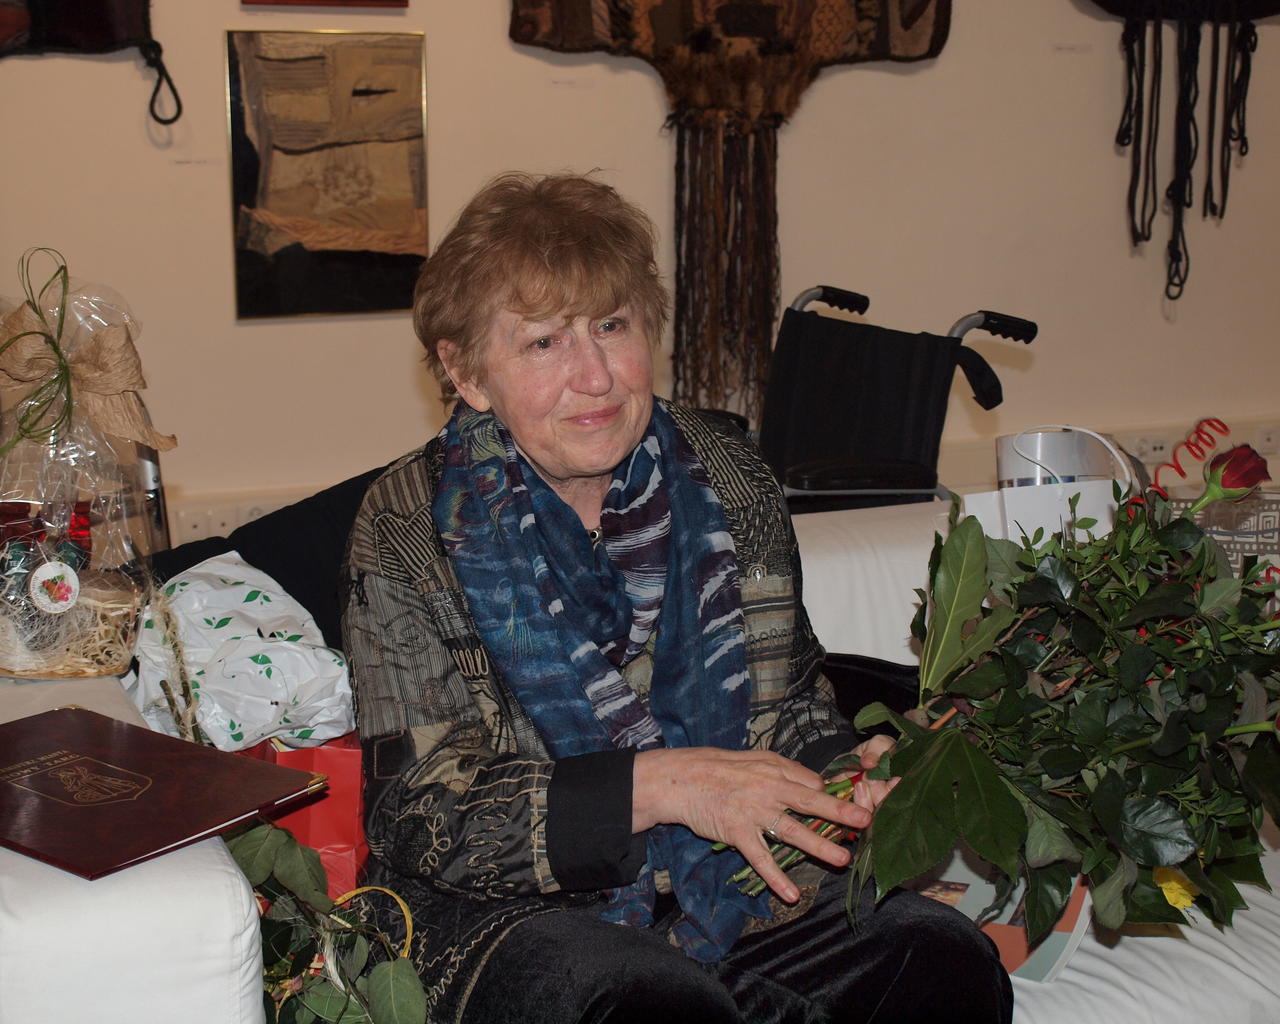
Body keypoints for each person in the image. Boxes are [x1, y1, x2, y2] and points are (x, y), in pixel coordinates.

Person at [341, 172, 1012, 1023]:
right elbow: (421, 814)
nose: (595, 377)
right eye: (543, 343)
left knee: (944, 964)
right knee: (650, 1004)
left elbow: (792, 703)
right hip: (508, 912)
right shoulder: (408, 527)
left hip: (732, 876)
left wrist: (848, 778)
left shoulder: (732, 479)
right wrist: (661, 785)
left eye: (611, 326)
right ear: (467, 372)